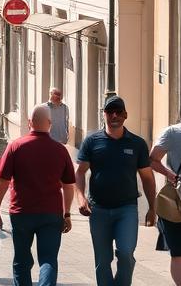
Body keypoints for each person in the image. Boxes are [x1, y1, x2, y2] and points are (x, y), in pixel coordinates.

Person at [76, 95, 156, 286]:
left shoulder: (137, 144)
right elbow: (80, 173)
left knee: (126, 253)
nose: (114, 115)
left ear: (125, 115)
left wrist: (153, 208)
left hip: (126, 209)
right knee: (102, 261)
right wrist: (81, 198)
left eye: (118, 111)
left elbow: (147, 178)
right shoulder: (92, 142)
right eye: (110, 111)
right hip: (98, 209)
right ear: (103, 114)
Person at [0, 104, 76, 286]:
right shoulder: (60, 150)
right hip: (51, 213)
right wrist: (67, 213)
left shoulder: (15, 146)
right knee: (48, 260)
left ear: (30, 122)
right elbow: (69, 186)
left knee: (21, 261)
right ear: (50, 124)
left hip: (21, 212)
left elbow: (3, 183)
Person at [150, 116, 181, 286]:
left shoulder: (172, 132)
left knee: (179, 253)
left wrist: (170, 175)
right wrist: (171, 175)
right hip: (176, 201)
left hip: (176, 200)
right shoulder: (174, 132)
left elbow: (153, 159)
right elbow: (152, 160)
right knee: (179, 252)